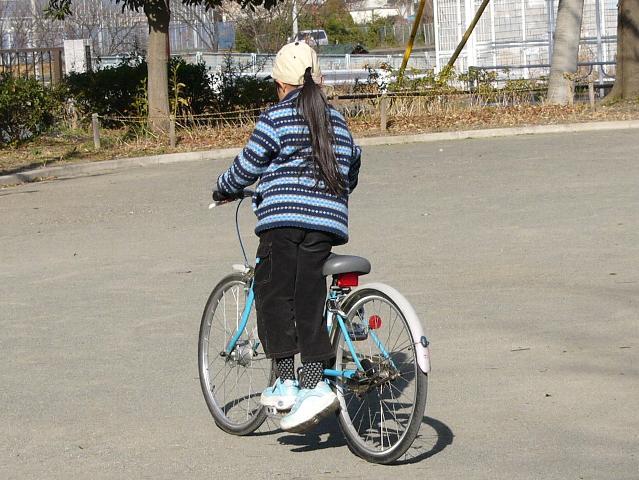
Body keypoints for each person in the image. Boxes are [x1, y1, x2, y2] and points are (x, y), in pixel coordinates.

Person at [212, 41, 361, 433]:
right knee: (309, 294)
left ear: (280, 85)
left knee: (273, 292)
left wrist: (223, 188)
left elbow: (246, 167)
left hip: (283, 221)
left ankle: (286, 380)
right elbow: (353, 164)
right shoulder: (337, 121)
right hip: (326, 224)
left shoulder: (276, 118)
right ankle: (313, 381)